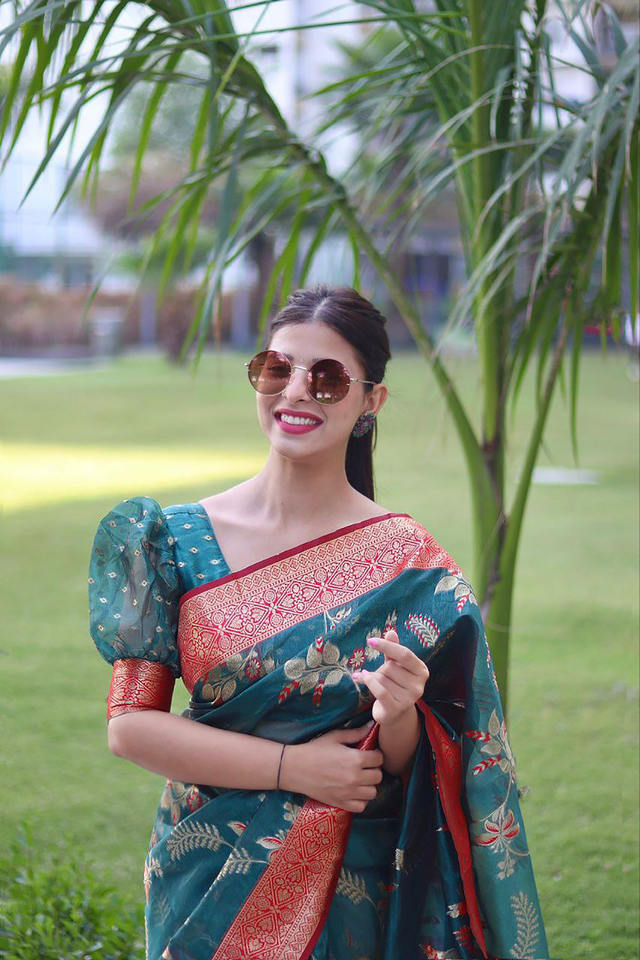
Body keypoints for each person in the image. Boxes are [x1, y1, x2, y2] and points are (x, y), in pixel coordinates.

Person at [88, 285, 549, 960]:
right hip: (206, 874)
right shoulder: (170, 541)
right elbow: (129, 727)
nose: (296, 391)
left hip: (353, 883)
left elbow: (418, 759)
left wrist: (399, 712)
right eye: (277, 368)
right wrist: (291, 768)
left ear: (371, 401)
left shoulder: (410, 565)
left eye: (327, 378)